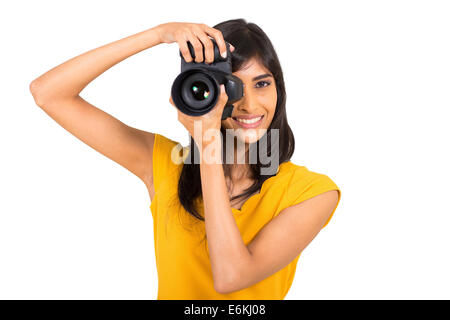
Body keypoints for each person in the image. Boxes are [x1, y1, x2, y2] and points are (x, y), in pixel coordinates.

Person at [30, 19, 341, 300]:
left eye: (262, 84)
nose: (249, 104)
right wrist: (158, 34)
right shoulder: (165, 165)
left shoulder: (312, 191)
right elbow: (47, 93)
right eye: (231, 86)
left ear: (279, 90)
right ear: (202, 92)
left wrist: (208, 142)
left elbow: (231, 276)